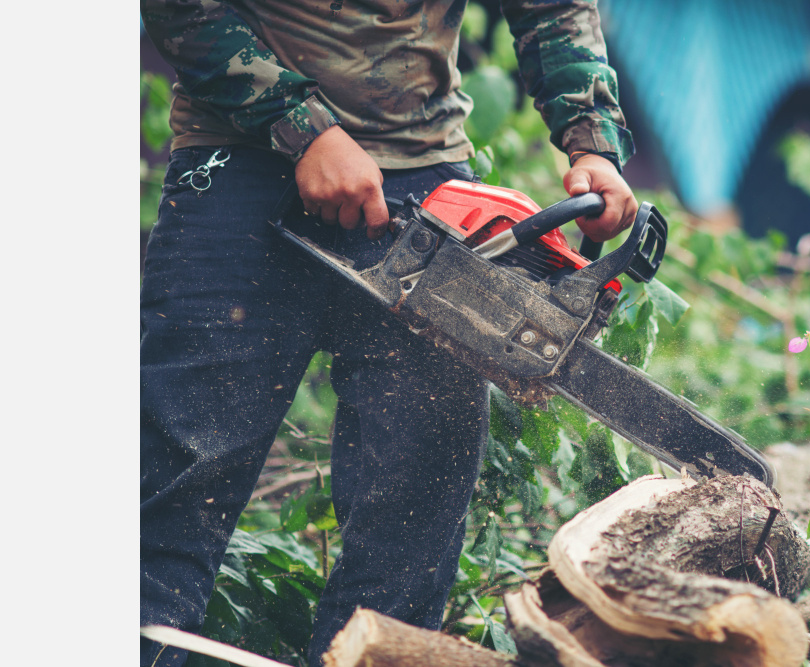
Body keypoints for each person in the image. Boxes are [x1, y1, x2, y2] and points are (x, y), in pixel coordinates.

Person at [139, 2, 637, 665]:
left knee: (411, 532)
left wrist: (592, 140)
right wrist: (303, 129)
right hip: (238, 168)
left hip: (428, 184)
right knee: (169, 504)